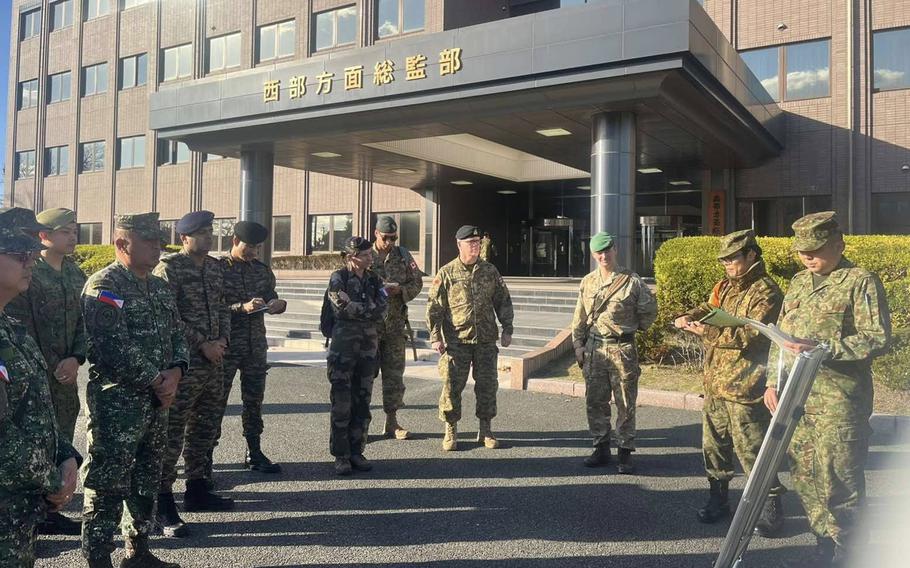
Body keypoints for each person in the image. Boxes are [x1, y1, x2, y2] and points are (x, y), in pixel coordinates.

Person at [765, 212, 891, 567]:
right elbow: (782, 335)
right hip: (798, 399)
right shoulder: (799, 283)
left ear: (839, 244)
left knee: (840, 482)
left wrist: (822, 348)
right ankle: (823, 548)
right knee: (806, 478)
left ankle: (849, 553)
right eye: (802, 251)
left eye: (816, 250)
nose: (808, 257)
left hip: (839, 402)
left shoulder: (859, 281)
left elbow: (877, 339)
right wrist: (772, 382)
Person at [81, 213, 187, 568]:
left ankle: (137, 551)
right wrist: (158, 379)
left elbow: (177, 333)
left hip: (157, 402)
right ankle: (97, 557)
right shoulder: (105, 286)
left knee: (147, 478)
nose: (158, 247)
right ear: (122, 244)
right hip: (118, 403)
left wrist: (176, 371)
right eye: (149, 242)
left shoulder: (158, 286)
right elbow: (112, 346)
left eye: (159, 241)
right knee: (108, 481)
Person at [674, 230, 786, 535]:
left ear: (751, 255)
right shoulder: (725, 287)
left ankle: (770, 507)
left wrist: (703, 332)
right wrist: (688, 316)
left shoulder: (766, 291)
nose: (727, 264)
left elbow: (752, 335)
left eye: (732, 258)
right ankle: (718, 500)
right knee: (714, 448)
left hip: (744, 385)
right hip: (715, 384)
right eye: (723, 259)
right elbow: (711, 309)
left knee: (752, 450)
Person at [0, 208, 81, 568]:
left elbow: (38, 409)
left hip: (18, 516)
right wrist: (53, 480)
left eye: (32, 251)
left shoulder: (12, 329)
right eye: (20, 254)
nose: (31, 259)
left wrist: (66, 456)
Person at [152, 211, 233, 539]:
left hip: (214, 363)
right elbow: (167, 316)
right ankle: (163, 502)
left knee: (205, 428)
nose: (208, 237)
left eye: (210, 231)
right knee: (172, 433)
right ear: (184, 237)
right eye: (201, 232)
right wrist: (203, 344)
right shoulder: (170, 269)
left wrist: (223, 340)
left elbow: (224, 307)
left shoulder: (215, 267)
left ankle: (197, 488)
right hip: (185, 363)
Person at [571, 232, 656, 474]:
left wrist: (632, 329)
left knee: (625, 403)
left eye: (607, 250)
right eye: (599, 252)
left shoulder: (632, 281)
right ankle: (601, 447)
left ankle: (625, 452)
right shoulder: (587, 282)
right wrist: (578, 346)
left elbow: (649, 312)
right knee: (595, 401)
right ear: (593, 254)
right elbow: (579, 317)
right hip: (595, 349)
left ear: (615, 250)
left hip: (622, 349)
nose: (604, 255)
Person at [426, 225, 513, 451]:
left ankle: (485, 430)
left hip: (485, 340)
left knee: (487, 386)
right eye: (470, 243)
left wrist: (507, 328)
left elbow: (503, 300)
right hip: (457, 342)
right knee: (452, 387)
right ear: (459, 245)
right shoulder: (447, 273)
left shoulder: (490, 271)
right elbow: (435, 307)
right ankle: (451, 429)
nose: (475, 246)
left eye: (478, 242)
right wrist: (436, 336)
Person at [211, 221, 287, 480]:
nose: (253, 251)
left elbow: (270, 296)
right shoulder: (218, 269)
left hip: (255, 345)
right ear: (234, 241)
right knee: (215, 401)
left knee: (254, 401)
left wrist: (278, 304)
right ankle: (205, 455)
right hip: (227, 345)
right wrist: (240, 308)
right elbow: (211, 306)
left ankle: (254, 451)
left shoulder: (262, 271)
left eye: (257, 247)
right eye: (249, 246)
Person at [326, 236, 387, 475]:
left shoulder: (373, 278)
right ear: (352, 258)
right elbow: (340, 308)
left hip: (368, 347)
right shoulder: (338, 278)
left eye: (370, 254)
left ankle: (357, 450)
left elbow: (383, 309)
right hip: (343, 349)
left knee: (363, 401)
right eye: (365, 255)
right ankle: (340, 455)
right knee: (342, 402)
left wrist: (358, 307)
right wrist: (366, 309)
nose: (370, 258)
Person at [371, 215, 424, 440]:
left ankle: (391, 423)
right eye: (386, 238)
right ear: (376, 234)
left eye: (394, 238)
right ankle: (360, 425)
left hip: (394, 327)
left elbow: (417, 282)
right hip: (368, 329)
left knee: (394, 377)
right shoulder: (364, 254)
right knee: (363, 377)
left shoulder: (402, 256)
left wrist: (400, 291)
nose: (390, 242)